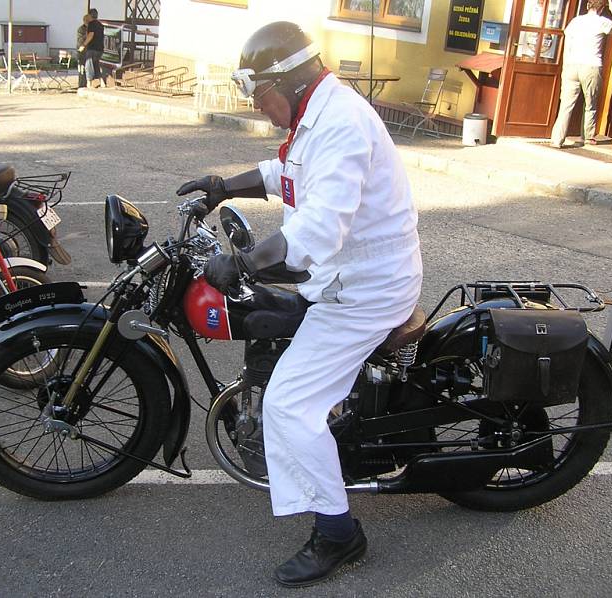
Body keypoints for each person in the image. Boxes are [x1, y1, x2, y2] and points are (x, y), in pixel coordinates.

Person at [177, 21, 422, 587]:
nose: (259, 109)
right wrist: (225, 184)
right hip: (346, 277)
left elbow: (317, 230)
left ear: (284, 80)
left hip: (364, 290)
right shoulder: (319, 114)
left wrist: (241, 263)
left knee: (290, 403)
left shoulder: (340, 122)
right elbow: (286, 174)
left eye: (259, 96)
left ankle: (339, 533)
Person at [550, 0, 612, 148]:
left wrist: (565, 67)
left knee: (566, 105)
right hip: (591, 66)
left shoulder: (576, 21)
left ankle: (557, 139)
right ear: (602, 8)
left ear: (588, 5)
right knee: (590, 104)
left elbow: (567, 44)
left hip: (571, 65)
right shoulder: (602, 21)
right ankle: (588, 137)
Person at [78, 8, 105, 88]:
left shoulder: (92, 24)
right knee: (96, 65)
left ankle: (89, 83)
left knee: (88, 65)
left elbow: (91, 35)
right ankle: (102, 82)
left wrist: (83, 45)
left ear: (90, 15)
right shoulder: (100, 25)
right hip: (100, 49)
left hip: (92, 48)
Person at [76, 14, 91, 88]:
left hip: (90, 52)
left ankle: (88, 83)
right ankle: (81, 84)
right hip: (82, 52)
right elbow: (80, 41)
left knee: (88, 69)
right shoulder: (81, 29)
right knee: (82, 69)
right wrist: (87, 35)